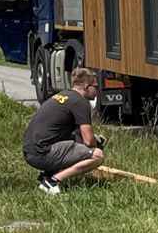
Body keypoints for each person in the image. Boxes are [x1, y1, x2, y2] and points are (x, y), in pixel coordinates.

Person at [22, 66, 103, 195]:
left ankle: (48, 174)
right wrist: (97, 144)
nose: (97, 91)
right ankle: (52, 181)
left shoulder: (63, 95)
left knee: (80, 142)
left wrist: (92, 139)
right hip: (41, 153)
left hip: (30, 150)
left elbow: (77, 135)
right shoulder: (80, 102)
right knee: (97, 155)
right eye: (96, 87)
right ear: (87, 87)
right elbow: (88, 141)